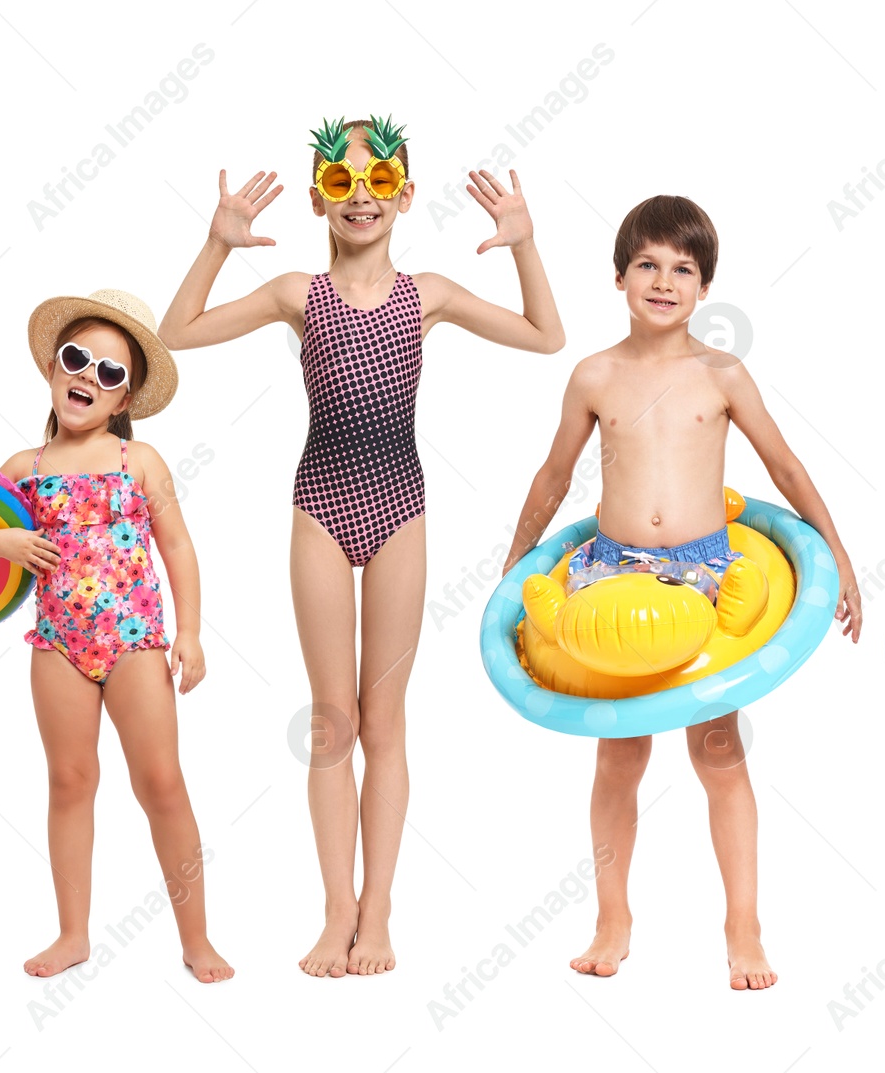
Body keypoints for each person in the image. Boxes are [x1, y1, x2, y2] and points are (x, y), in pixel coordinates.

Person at [156, 115, 566, 978]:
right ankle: (333, 908)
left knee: (386, 721)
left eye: (379, 181)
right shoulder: (296, 294)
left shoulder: (434, 294)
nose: (363, 196)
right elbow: (177, 333)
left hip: (401, 511)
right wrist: (217, 242)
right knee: (331, 720)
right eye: (341, 184)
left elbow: (545, 336)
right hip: (318, 504)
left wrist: (525, 243)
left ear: (405, 195)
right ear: (317, 200)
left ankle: (377, 911)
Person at [501, 194, 862, 990]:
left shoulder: (722, 372)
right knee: (619, 751)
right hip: (611, 573)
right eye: (648, 265)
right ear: (621, 275)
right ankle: (611, 915)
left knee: (720, 750)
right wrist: (514, 567)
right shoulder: (594, 373)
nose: (664, 281)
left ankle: (743, 924)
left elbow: (787, 468)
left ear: (705, 287)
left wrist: (837, 554)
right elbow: (555, 476)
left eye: (683, 270)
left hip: (704, 574)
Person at [0, 288, 232, 983]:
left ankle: (196, 937)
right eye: (78, 360)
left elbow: (179, 547)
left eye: (111, 373)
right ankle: (73, 932)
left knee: (162, 782)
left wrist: (190, 631)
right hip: (59, 644)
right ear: (53, 368)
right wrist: (7, 540)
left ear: (124, 400)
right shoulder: (23, 468)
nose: (89, 377)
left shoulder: (140, 461)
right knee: (70, 780)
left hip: (136, 637)